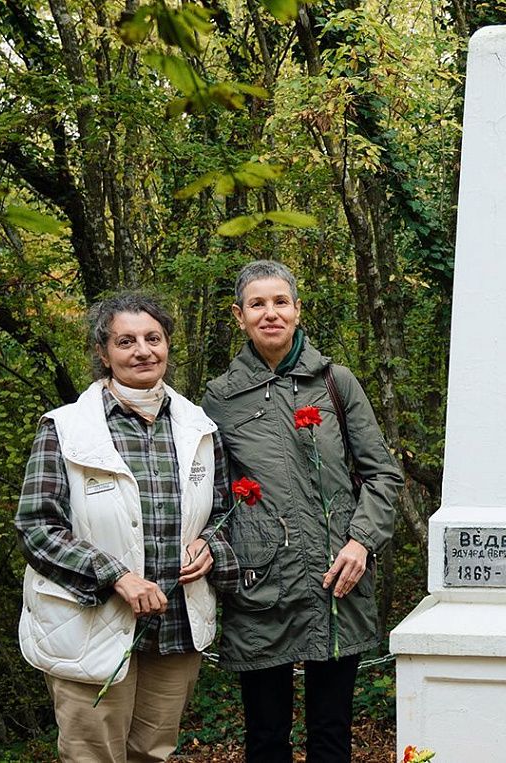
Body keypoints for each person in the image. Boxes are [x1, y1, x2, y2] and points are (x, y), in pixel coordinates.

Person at [16, 291, 240, 762]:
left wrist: (210, 544)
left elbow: (224, 510)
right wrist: (115, 575)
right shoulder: (65, 428)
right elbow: (38, 527)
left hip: (175, 624)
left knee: (153, 752)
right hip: (90, 626)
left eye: (153, 338)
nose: (143, 350)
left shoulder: (198, 427)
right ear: (104, 352)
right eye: (126, 341)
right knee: (93, 756)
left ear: (168, 345)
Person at [201, 259, 403, 763]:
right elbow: (207, 493)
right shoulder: (219, 398)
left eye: (280, 301)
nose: (270, 313)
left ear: (296, 309)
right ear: (239, 315)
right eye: (257, 304)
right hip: (260, 586)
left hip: (338, 580)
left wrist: (362, 541)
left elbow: (382, 474)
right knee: (266, 737)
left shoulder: (336, 382)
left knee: (330, 735)